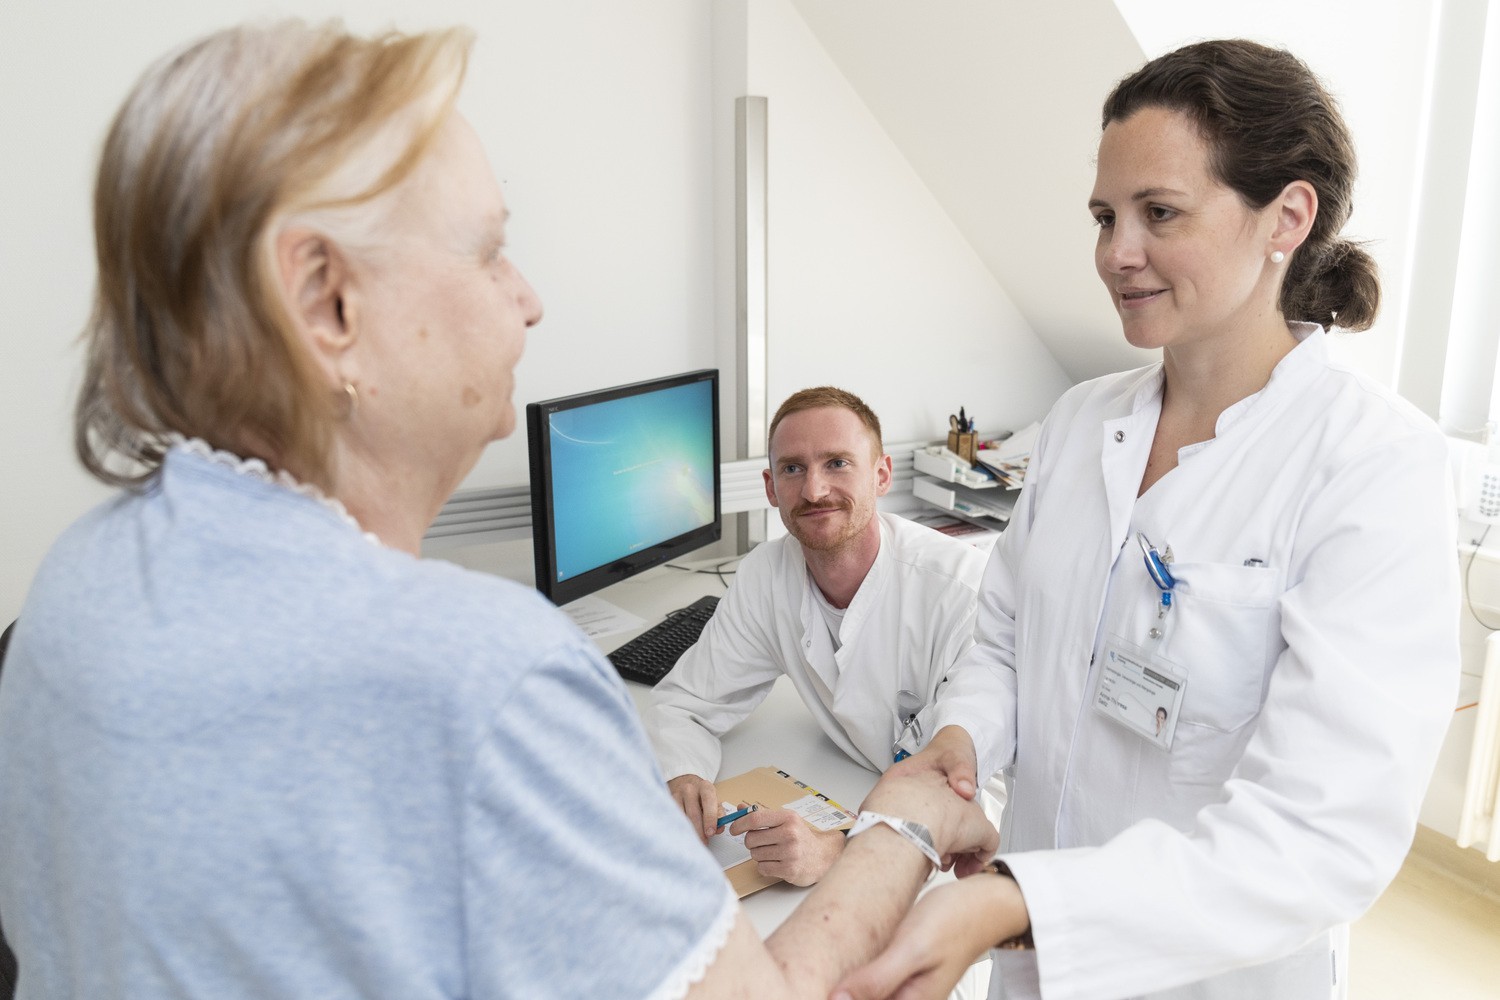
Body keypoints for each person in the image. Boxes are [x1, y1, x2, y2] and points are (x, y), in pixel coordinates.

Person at [0, 20, 999, 999]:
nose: (526, 301)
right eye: (488, 251)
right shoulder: (486, 676)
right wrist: (901, 824)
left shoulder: (72, 584)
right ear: (325, 301)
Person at [833, 39, 1461, 1000]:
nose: (1114, 254)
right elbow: (1003, 636)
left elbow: (1318, 837)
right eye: (1104, 216)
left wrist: (1022, 901)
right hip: (1028, 961)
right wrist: (962, 739)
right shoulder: (1086, 420)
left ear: (1286, 217)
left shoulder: (1373, 467)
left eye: (1158, 213)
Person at [647, 386, 998, 888]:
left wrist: (839, 850)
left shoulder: (961, 593)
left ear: (881, 475)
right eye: (793, 469)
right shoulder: (768, 575)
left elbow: (968, 798)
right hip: (865, 789)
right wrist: (683, 775)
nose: (813, 490)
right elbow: (686, 703)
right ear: (770, 488)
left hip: (966, 872)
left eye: (837, 463)